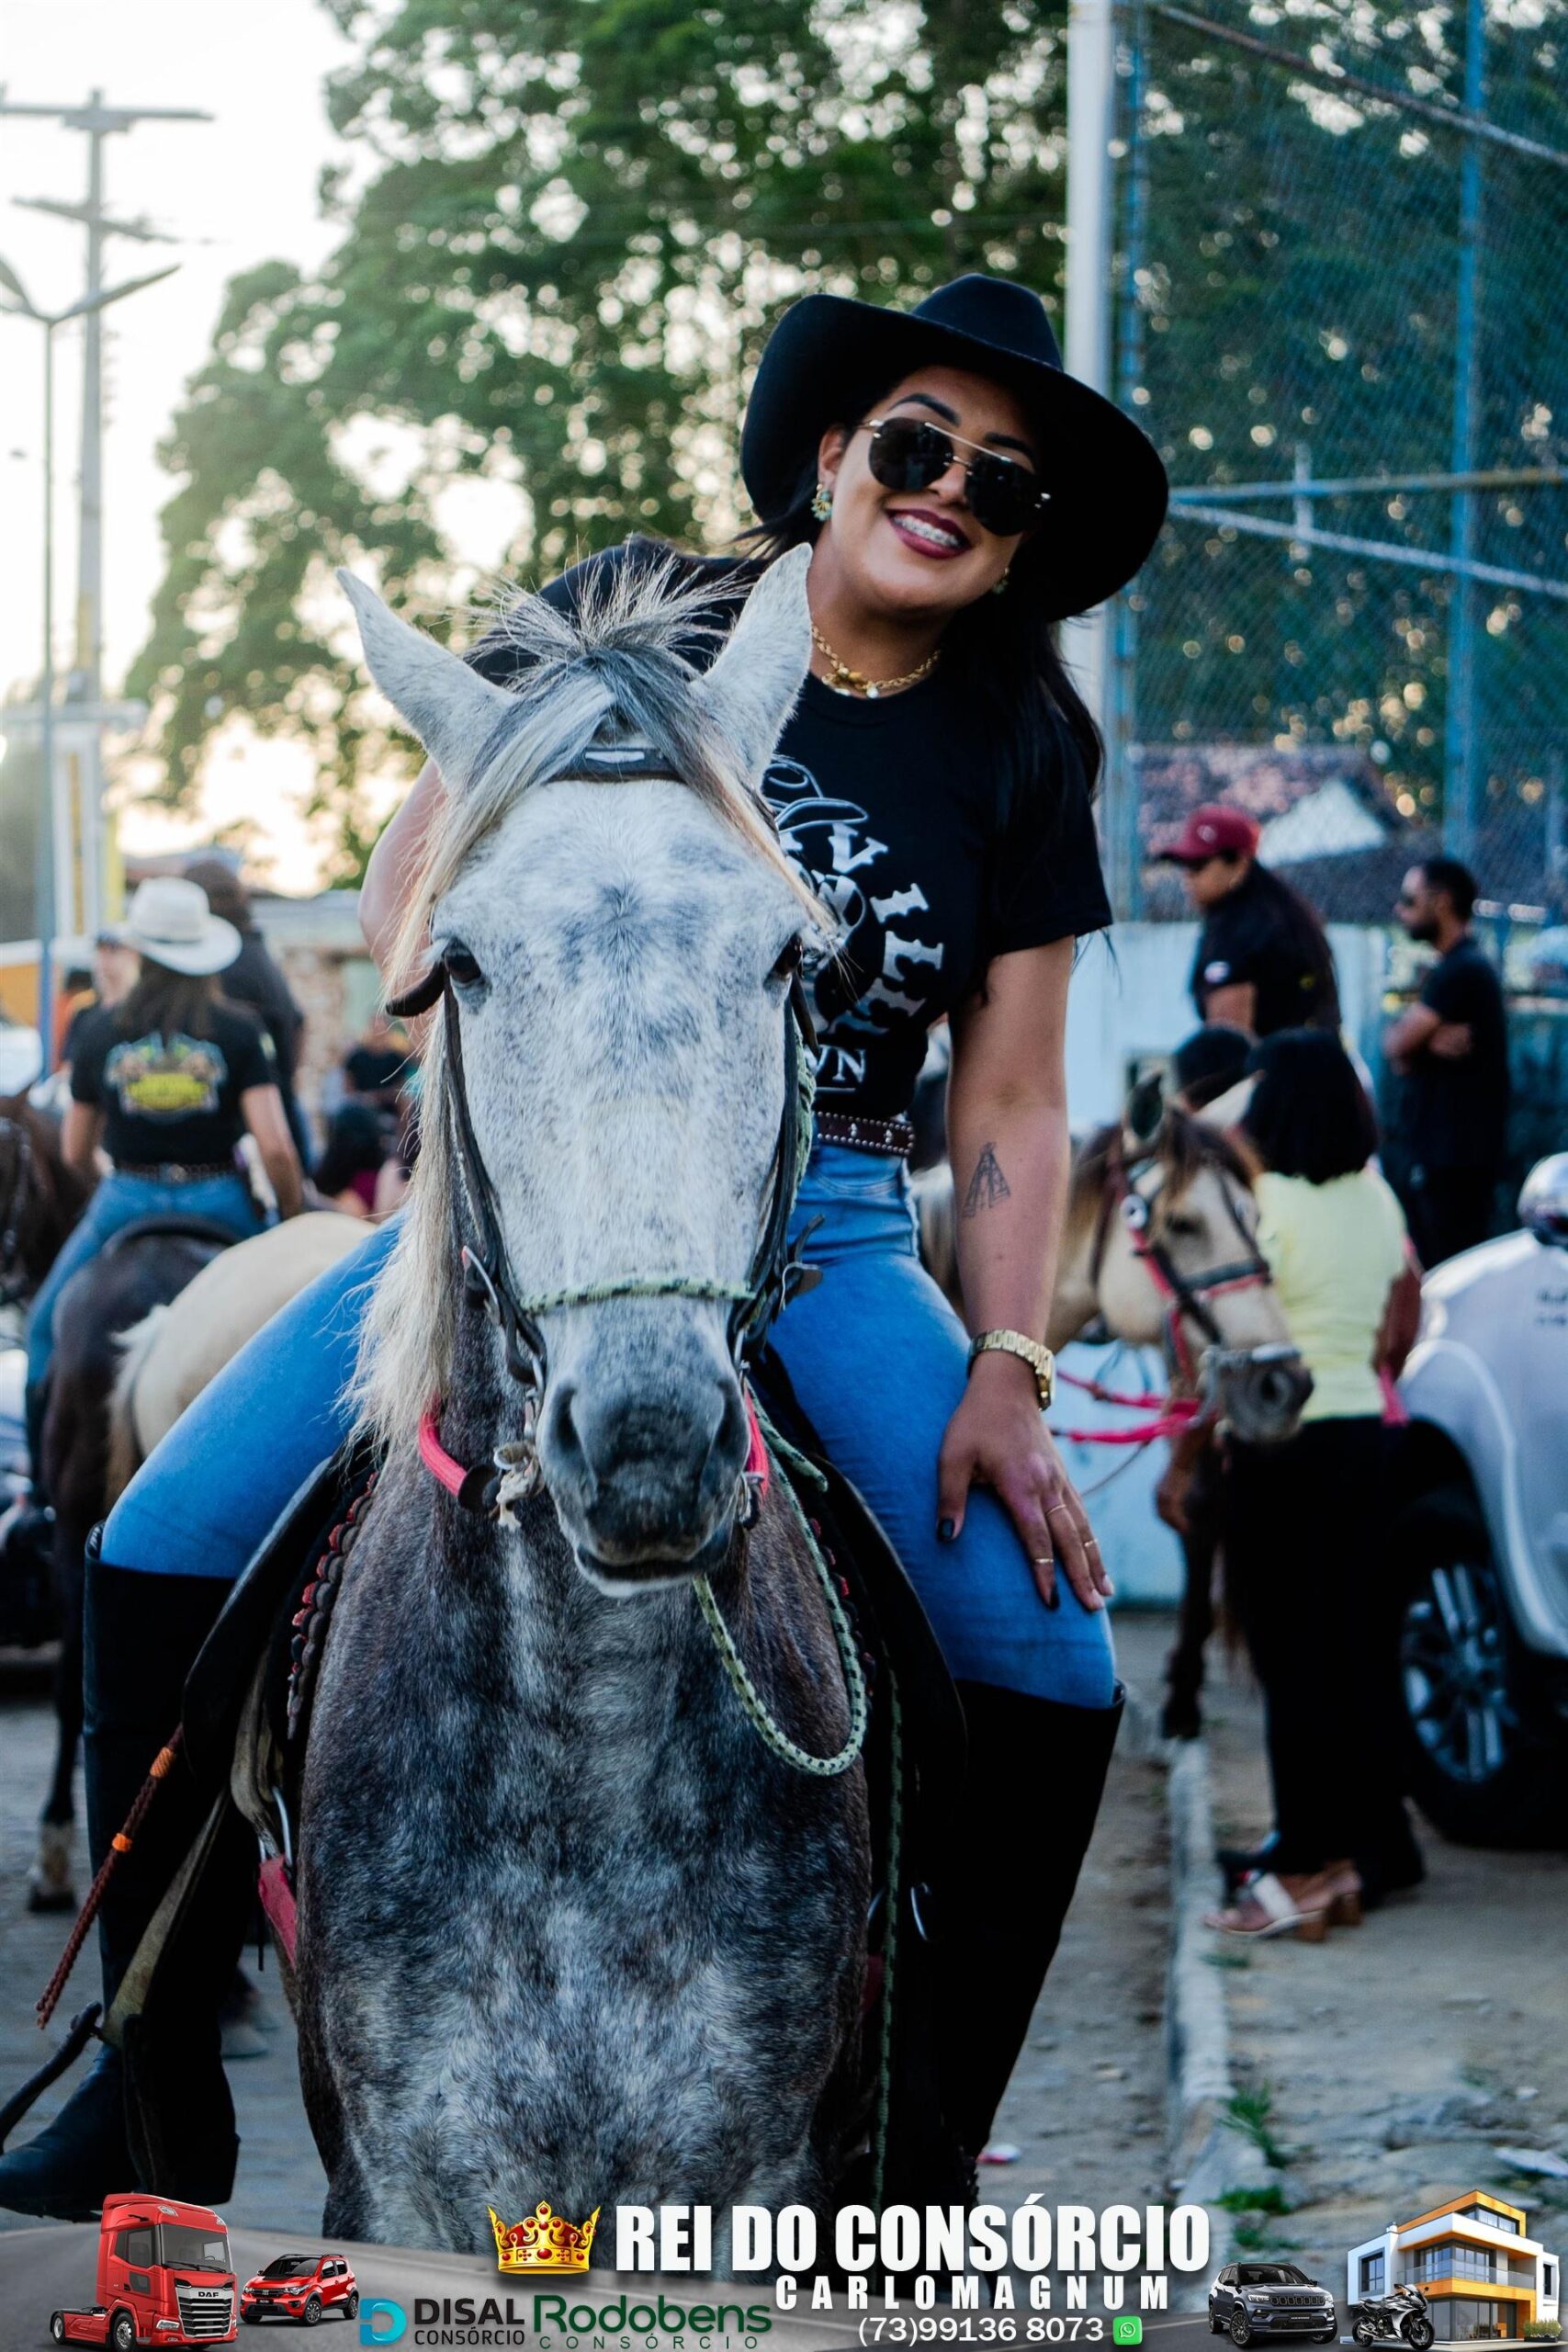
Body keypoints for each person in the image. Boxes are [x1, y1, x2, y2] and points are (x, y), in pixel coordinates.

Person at [0, 272, 1169, 2217]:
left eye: (1002, 480)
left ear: (1023, 536)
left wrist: (1007, 1364)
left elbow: (1012, 1102)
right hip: (532, 1197)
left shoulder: (1020, 746)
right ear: (829, 452)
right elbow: (412, 903)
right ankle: (148, 2072)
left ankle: (915, 2135)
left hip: (825, 1218)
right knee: (156, 1539)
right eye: (916, 443)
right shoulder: (640, 619)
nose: (949, 489)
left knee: (1049, 1652)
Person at [1208, 1029, 1424, 1939]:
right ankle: (1362, 1851)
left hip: (1279, 1447)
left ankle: (1303, 1867)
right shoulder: (1377, 1197)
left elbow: (1228, 1331)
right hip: (1367, 1441)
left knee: (1291, 1663)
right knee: (1354, 1653)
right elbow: (1401, 1314)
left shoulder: (1264, 1203)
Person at [23, 878, 306, 1427]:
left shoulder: (100, 1029)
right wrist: (290, 1214)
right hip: (220, 1198)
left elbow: (74, 1150)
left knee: (41, 1332)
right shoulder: (239, 1030)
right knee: (289, 1326)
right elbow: (276, 1149)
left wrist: (110, 1182)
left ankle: (39, 1471)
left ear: (141, 951)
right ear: (204, 953)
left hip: (126, 1198)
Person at [1156, 1023, 1253, 1738]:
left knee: (1197, 1520)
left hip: (1218, 1391)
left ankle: (1186, 1680)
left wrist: (1182, 1453)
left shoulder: (1203, 1172)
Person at [1386, 855, 1509, 1267]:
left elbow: (1397, 1045)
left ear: (1441, 902)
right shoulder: (1453, 969)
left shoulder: (1462, 971)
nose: (1400, 910)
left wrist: (1414, 1044)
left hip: (1454, 1160)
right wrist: (1423, 1044)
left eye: (1410, 900)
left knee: (1445, 1268)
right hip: (1447, 1155)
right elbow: (1400, 1052)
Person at [1159, 806, 1340, 1037]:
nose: (1188, 877)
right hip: (1314, 1055)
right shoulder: (1277, 911)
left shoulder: (1242, 928)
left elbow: (1228, 1041)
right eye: (1184, 865)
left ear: (1240, 864)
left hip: (1280, 1059)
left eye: (1198, 865)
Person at [183, 860, 311, 1170]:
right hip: (280, 1117)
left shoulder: (222, 965)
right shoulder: (256, 953)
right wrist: (283, 1080)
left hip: (254, 1141)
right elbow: (299, 1023)